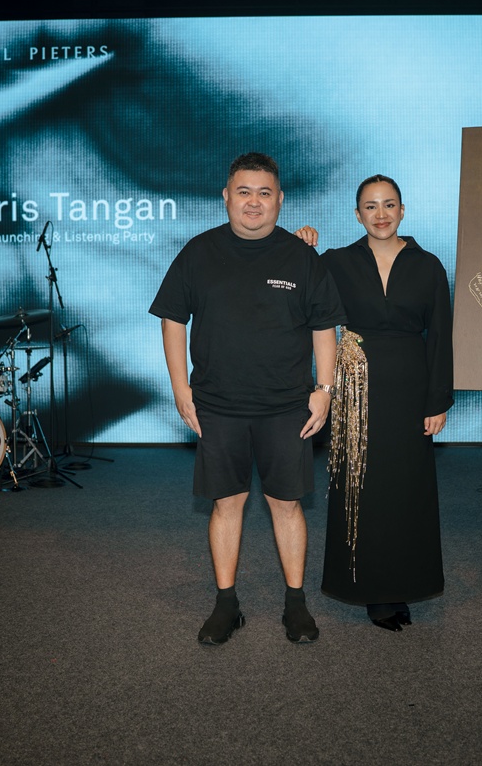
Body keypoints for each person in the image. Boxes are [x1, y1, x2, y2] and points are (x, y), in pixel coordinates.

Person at [149, 152, 346, 645]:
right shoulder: (199, 252)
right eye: (243, 192)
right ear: (226, 197)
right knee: (227, 504)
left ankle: (295, 604)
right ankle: (226, 604)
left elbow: (325, 327)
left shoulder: (302, 256)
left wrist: (325, 391)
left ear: (279, 200)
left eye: (264, 193)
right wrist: (180, 388)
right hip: (218, 405)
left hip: (288, 406)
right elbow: (172, 319)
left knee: (287, 505)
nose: (253, 202)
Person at [315, 174, 454, 631]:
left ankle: (402, 584)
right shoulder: (335, 262)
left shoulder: (428, 265)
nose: (381, 214)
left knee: (407, 488)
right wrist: (298, 243)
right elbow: (298, 290)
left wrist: (438, 401)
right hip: (357, 392)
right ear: (357, 215)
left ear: (402, 210)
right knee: (362, 486)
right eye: (370, 206)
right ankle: (371, 589)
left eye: (389, 204)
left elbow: (441, 337)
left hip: (411, 391)